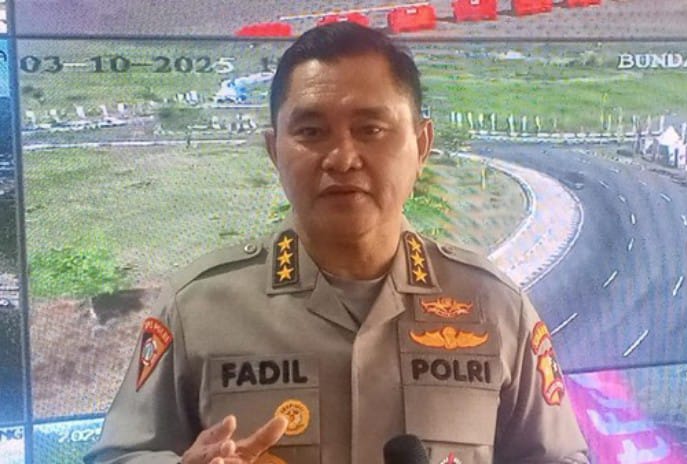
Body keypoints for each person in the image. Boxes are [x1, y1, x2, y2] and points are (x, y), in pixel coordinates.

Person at [86, 22, 589, 464]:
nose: (343, 158)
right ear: (273, 151)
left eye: (371, 129)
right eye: (311, 131)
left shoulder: (494, 306)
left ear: (421, 145)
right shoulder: (197, 307)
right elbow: (121, 454)